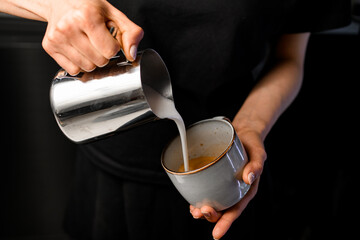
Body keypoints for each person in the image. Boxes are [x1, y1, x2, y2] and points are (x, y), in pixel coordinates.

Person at [1, 0, 351, 239]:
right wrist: (55, 4)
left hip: (235, 159)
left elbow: (289, 58)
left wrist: (251, 126)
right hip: (115, 176)